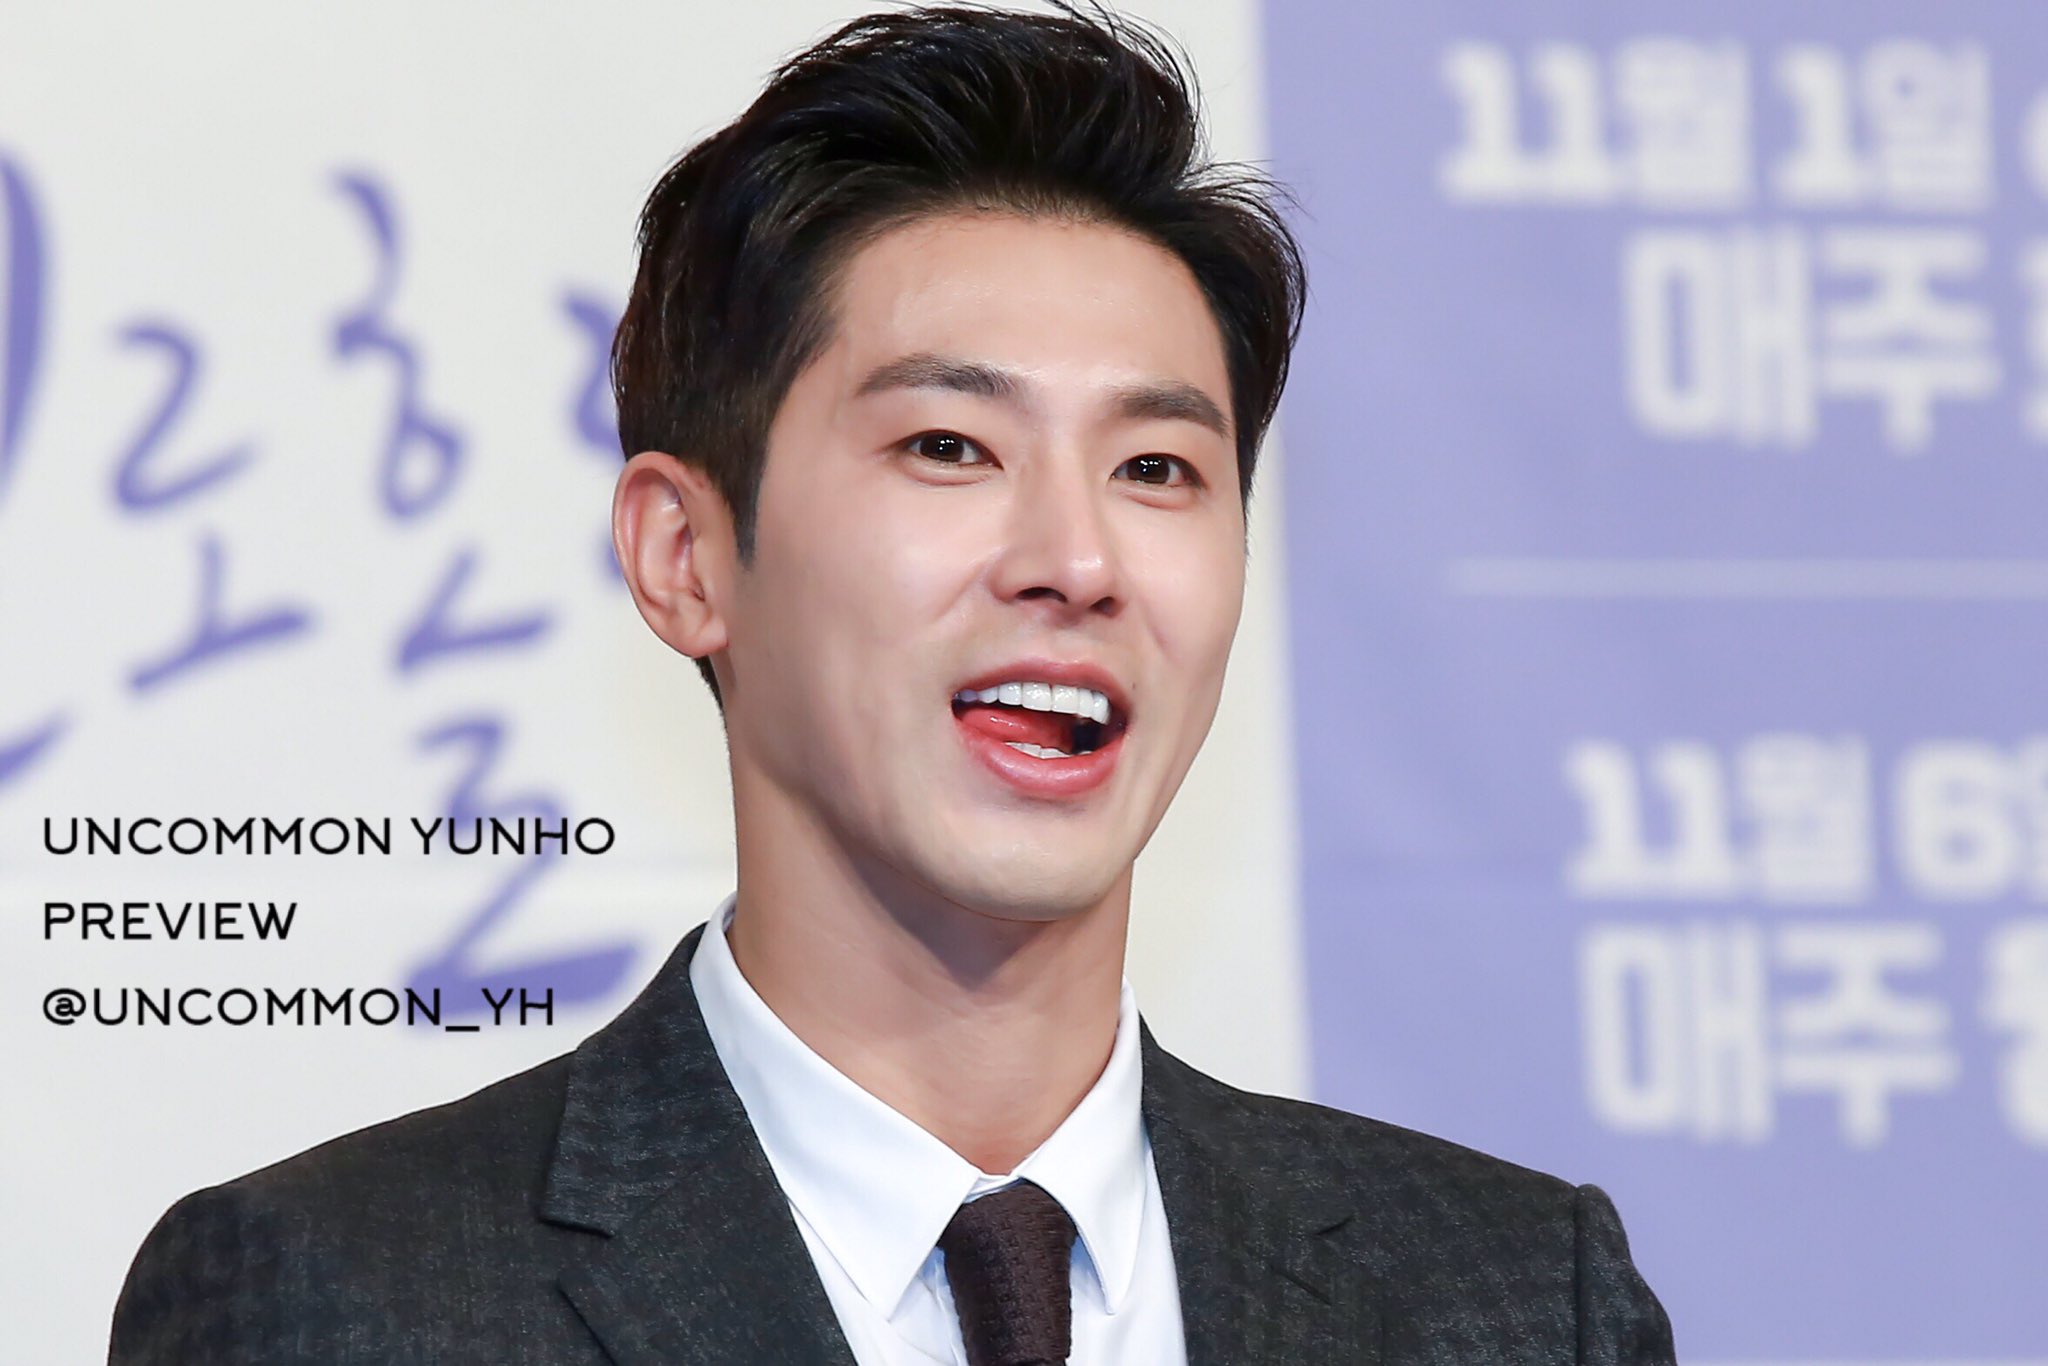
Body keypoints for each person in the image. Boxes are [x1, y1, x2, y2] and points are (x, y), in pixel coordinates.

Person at [109, 5, 1677, 1362]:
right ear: (685, 556)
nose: (1077, 558)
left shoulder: (1519, 1298)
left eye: (1155, 466)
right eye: (950, 446)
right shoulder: (346, 1296)